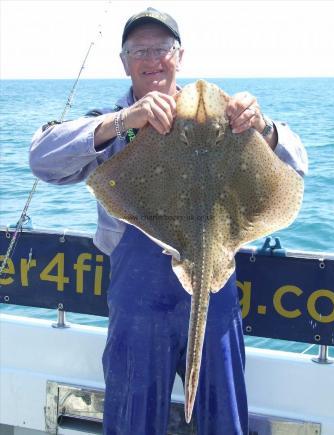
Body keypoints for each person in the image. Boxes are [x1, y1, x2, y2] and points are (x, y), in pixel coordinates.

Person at [29, 7, 308, 435]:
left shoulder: (227, 120)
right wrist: (124, 121)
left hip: (215, 291)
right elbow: (41, 159)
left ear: (179, 56)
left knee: (224, 418)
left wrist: (263, 128)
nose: (152, 58)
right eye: (140, 50)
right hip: (137, 301)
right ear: (124, 62)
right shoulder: (111, 120)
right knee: (132, 421)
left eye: (162, 48)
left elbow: (298, 165)